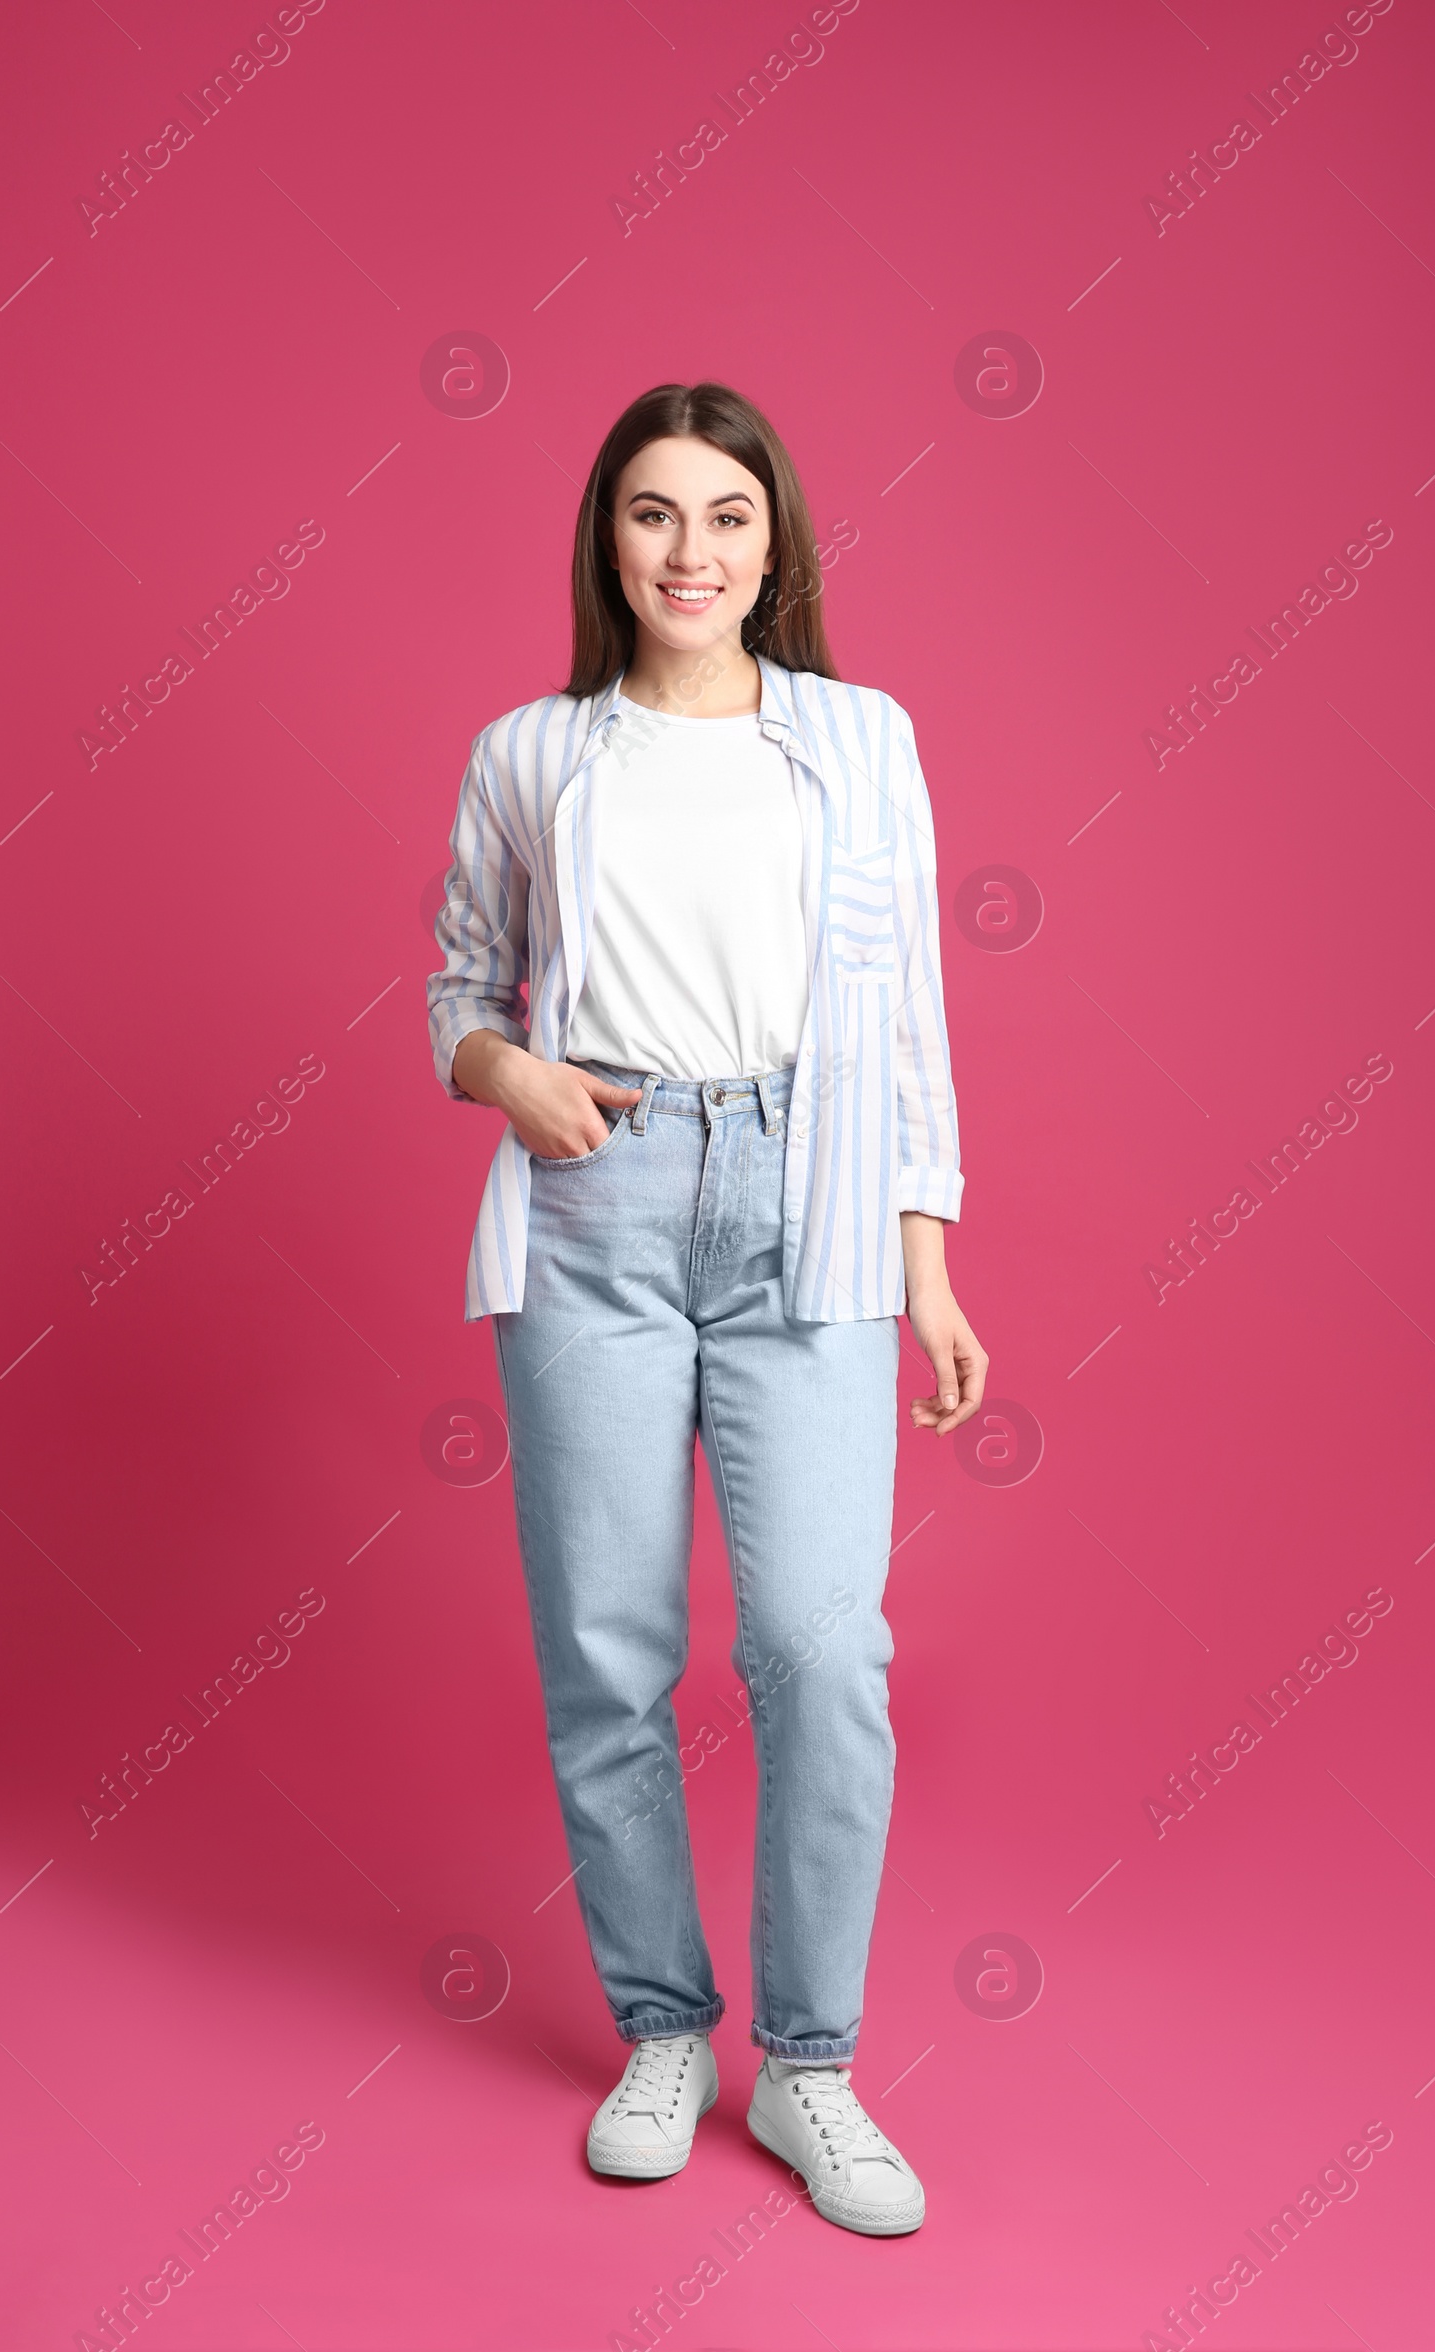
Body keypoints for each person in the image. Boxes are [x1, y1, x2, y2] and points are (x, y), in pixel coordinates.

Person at [426, 380, 985, 2236]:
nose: (692, 552)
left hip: (806, 1208)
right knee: (610, 1655)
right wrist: (506, 1076)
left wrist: (926, 1257)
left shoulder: (859, 740)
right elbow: (455, 990)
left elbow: (904, 1020)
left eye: (727, 516)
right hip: (598, 1201)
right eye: (655, 515)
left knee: (826, 1652)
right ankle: (666, 2026)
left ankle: (809, 2069)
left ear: (777, 542)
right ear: (608, 539)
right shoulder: (531, 753)